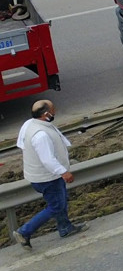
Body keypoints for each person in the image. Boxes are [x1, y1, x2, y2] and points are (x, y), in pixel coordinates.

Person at [13, 100, 87, 249]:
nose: (55, 112)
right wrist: (63, 172)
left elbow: (21, 144)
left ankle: (65, 228)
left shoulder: (29, 124)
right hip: (47, 177)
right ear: (46, 114)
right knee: (56, 205)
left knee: (60, 200)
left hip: (39, 175)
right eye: (53, 110)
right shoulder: (41, 135)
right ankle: (24, 231)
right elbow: (47, 160)